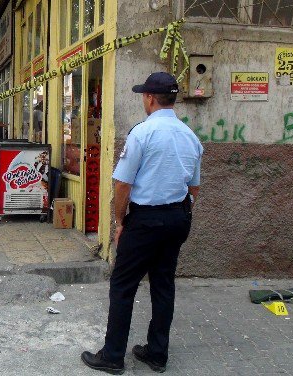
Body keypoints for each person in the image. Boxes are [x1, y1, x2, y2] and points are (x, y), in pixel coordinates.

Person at [81, 72, 203, 375]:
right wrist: (181, 212)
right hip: (177, 218)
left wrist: (120, 221)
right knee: (163, 284)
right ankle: (157, 354)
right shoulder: (190, 136)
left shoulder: (142, 133)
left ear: (150, 98)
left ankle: (112, 356)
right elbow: (194, 188)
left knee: (123, 285)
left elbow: (122, 184)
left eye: (143, 96)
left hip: (146, 219)